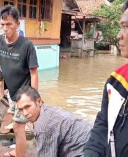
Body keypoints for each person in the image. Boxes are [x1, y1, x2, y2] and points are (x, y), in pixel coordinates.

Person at [0, 5, 39, 157]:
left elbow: (34, 74)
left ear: (17, 24)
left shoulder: (27, 45)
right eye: (2, 24)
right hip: (10, 91)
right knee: (12, 116)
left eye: (9, 24)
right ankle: (17, 136)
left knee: (18, 128)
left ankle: (19, 153)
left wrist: (35, 99)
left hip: (24, 93)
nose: (5, 28)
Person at [83, 1, 128, 157]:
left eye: (126, 27)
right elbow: (103, 123)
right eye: (121, 26)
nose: (119, 35)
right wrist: (90, 152)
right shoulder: (115, 82)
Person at [16, 86, 92, 157]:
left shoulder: (43, 127)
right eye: (21, 109)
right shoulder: (51, 110)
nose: (25, 113)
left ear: (39, 102)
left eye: (27, 107)